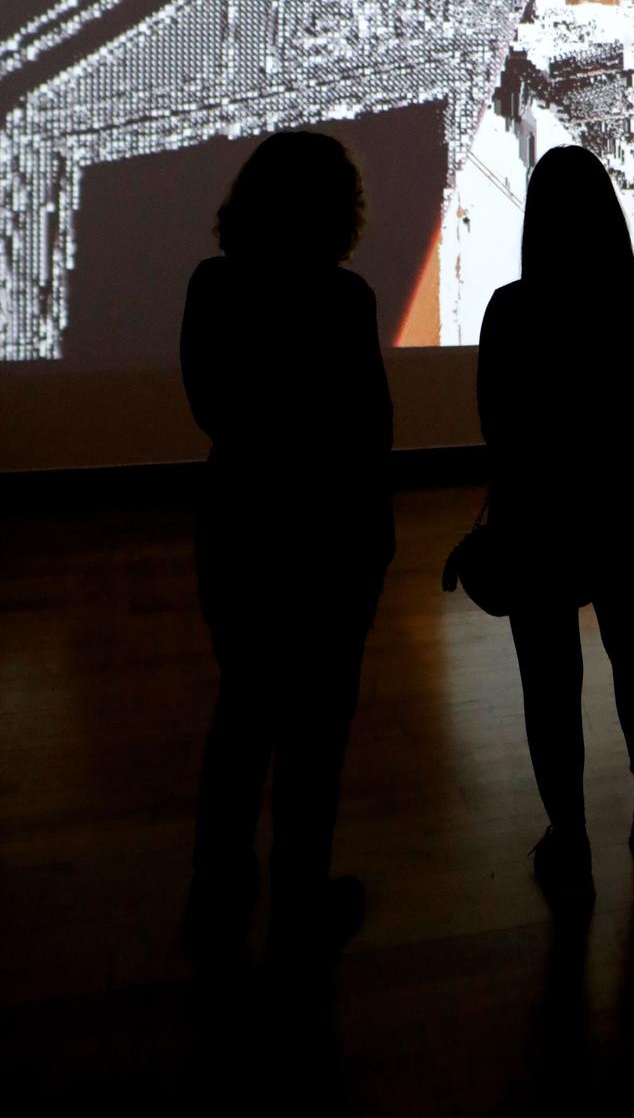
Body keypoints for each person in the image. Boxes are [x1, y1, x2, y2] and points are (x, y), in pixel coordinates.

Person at [181, 130, 395, 965]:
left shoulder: (212, 285)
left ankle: (218, 886)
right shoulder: (344, 301)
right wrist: (373, 546)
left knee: (242, 713)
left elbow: (211, 410)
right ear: (337, 212)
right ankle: (299, 896)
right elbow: (366, 435)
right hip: (326, 541)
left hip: (237, 526)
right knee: (314, 734)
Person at [476, 143, 634, 903]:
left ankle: (567, 833)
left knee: (547, 679)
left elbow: (496, 427)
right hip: (619, 505)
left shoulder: (511, 308)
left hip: (535, 515)